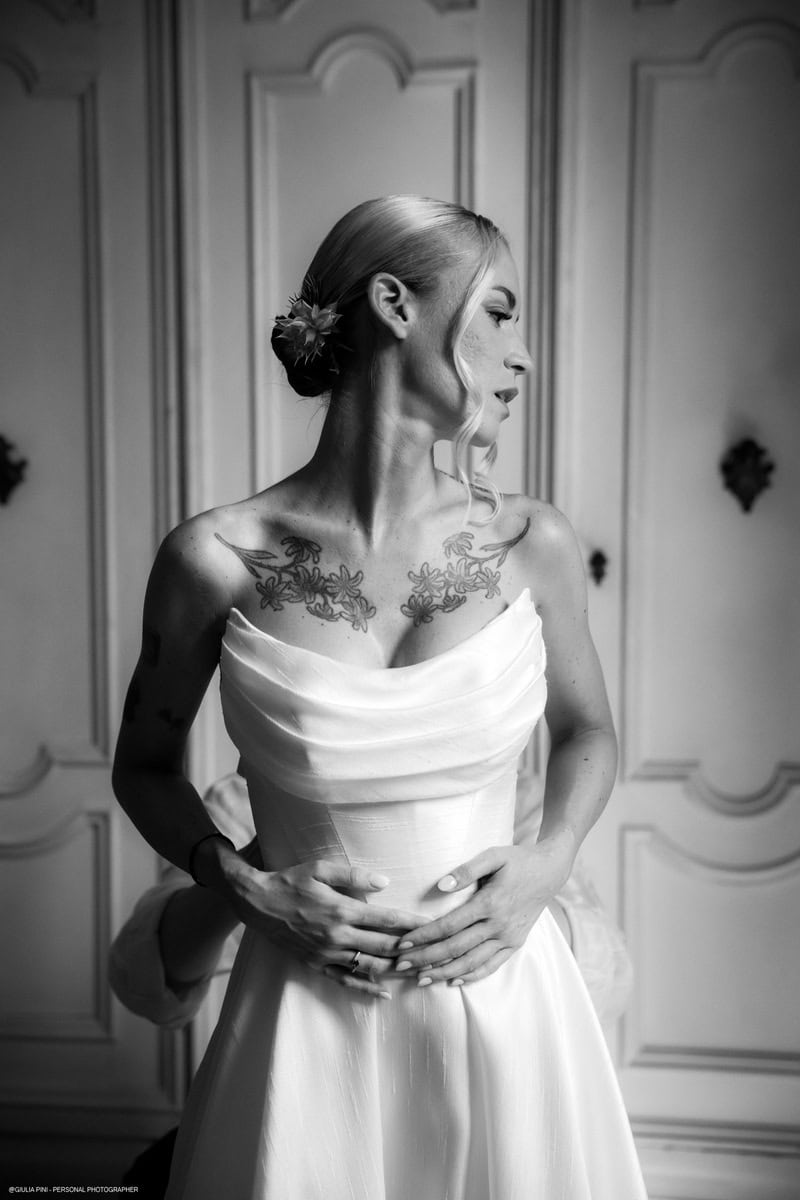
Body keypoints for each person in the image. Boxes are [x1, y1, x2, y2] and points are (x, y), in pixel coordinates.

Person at [112, 195, 647, 1199]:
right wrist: (244, 889)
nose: (523, 355)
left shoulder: (530, 542)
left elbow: (588, 732)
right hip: (302, 1027)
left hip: (510, 1016)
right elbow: (142, 767)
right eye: (500, 312)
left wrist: (548, 864)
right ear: (397, 305)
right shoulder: (214, 557)